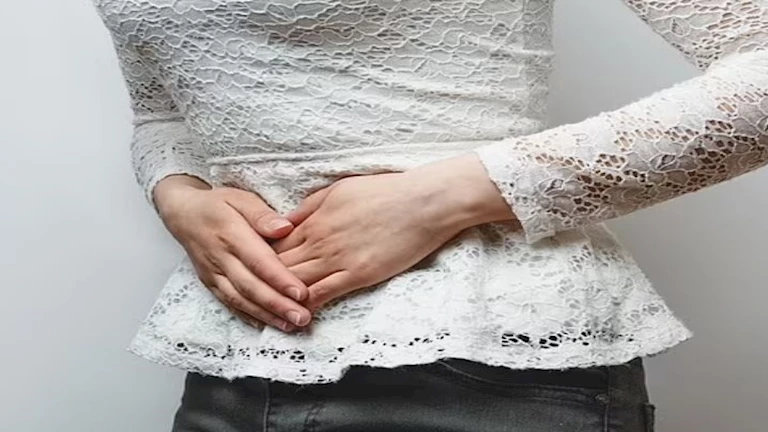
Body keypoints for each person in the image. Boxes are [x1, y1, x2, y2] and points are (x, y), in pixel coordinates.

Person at [91, 0, 767, 430]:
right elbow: (162, 110)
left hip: (485, 372)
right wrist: (179, 196)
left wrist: (448, 196)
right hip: (234, 369)